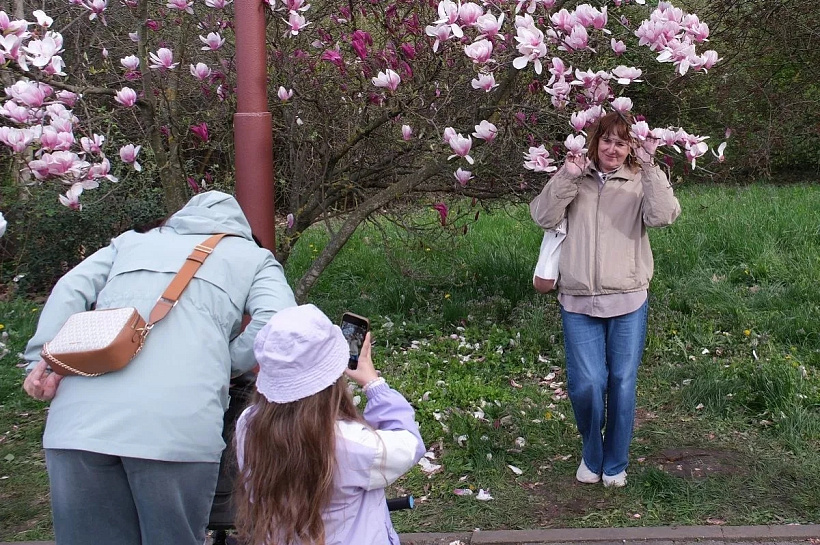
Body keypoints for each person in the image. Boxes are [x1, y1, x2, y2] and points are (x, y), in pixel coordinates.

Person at [22, 190, 297, 545]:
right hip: (176, 427)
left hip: (77, 424)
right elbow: (278, 320)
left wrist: (45, 361)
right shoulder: (254, 258)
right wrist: (225, 363)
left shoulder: (129, 243)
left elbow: (70, 287)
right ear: (240, 230)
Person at [529, 112, 681, 487]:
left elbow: (663, 216)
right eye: (607, 140)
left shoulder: (638, 180)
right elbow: (542, 216)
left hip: (628, 298)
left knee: (622, 382)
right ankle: (591, 453)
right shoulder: (573, 178)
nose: (613, 149)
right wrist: (566, 175)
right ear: (595, 141)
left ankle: (615, 463)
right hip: (577, 299)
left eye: (622, 142)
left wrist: (649, 166)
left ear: (631, 147)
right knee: (587, 384)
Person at [234, 304, 425, 545]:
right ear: (331, 379)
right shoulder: (353, 446)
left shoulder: (248, 426)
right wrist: (374, 384)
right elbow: (409, 443)